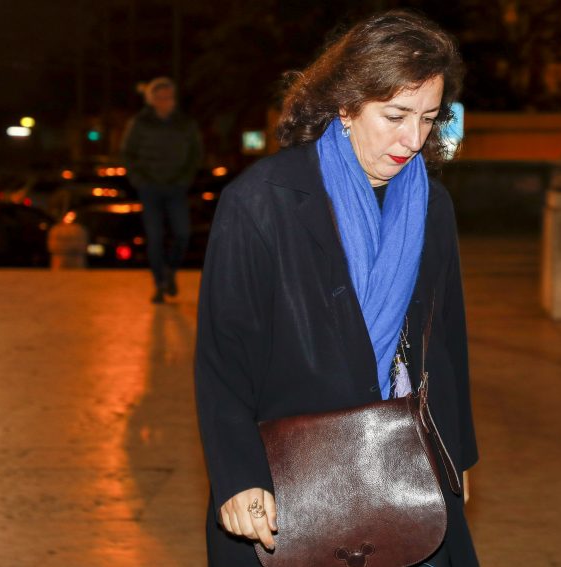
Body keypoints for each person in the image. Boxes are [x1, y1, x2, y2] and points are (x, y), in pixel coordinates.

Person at [195, 10, 479, 567]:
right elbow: (224, 355)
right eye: (395, 116)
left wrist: (456, 455)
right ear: (346, 106)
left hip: (408, 467)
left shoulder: (432, 205)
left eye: (428, 119)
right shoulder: (262, 202)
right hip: (290, 475)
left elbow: (446, 339)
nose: (413, 139)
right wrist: (238, 474)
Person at [121, 77, 203, 303]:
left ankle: (171, 271)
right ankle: (159, 283)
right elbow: (127, 153)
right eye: (160, 98)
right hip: (150, 188)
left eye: (168, 97)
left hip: (176, 187)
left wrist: (185, 178)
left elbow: (195, 153)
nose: (165, 102)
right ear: (152, 100)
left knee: (182, 233)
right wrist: (139, 179)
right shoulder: (140, 123)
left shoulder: (185, 123)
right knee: (155, 237)